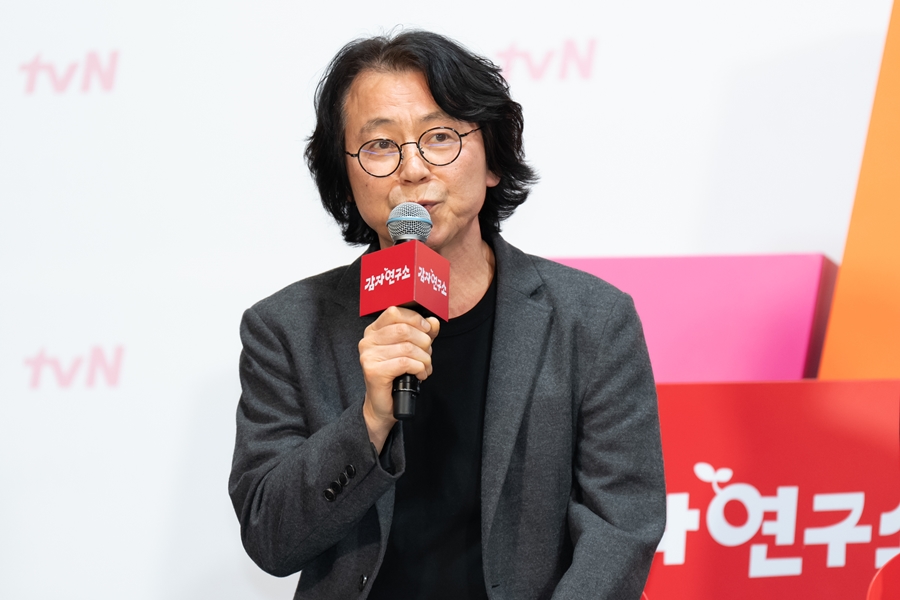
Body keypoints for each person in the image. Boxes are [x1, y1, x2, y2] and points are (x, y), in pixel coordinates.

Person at [229, 30, 666, 600]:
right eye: (380, 145)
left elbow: (622, 528)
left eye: (439, 137)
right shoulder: (285, 329)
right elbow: (270, 539)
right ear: (346, 176)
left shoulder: (593, 321)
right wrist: (369, 421)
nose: (412, 169)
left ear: (492, 161)